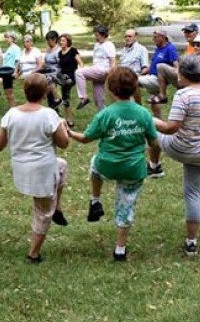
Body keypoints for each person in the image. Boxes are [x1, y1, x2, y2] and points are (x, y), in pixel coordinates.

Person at [68, 67, 158, 262]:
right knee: (127, 204)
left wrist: (68, 132)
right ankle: (120, 249)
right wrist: (154, 163)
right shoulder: (143, 114)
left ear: (110, 89)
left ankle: (95, 199)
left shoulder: (105, 114)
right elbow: (154, 143)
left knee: (94, 163)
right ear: (135, 87)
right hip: (133, 169)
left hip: (107, 166)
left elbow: (85, 139)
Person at [0, 73, 70, 263]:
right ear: (45, 93)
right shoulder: (49, 115)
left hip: (21, 170)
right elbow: (64, 143)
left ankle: (58, 208)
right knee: (43, 212)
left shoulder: (11, 114)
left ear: (25, 91)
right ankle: (33, 254)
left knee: (62, 166)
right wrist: (62, 127)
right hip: (41, 172)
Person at [147, 56, 200, 256]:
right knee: (193, 194)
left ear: (183, 74)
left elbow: (171, 127)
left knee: (150, 132)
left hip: (179, 147)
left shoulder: (183, 95)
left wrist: (148, 118)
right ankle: (191, 242)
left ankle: (154, 165)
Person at [75, 25, 116, 111]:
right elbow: (96, 60)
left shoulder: (109, 45)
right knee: (98, 100)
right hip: (96, 70)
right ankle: (104, 119)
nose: (96, 37)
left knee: (79, 72)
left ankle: (84, 97)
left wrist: (109, 72)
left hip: (103, 71)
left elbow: (113, 62)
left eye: (97, 35)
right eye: (95, 35)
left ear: (103, 35)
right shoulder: (97, 45)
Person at [140, 29, 179, 111]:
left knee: (132, 81)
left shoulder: (170, 48)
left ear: (162, 37)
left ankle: (136, 109)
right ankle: (159, 121)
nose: (153, 39)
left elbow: (176, 66)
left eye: (155, 37)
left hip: (157, 80)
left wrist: (177, 80)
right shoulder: (158, 49)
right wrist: (139, 72)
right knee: (155, 107)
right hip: (151, 77)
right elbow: (151, 66)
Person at [58, 33, 83, 128]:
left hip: (72, 76)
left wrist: (81, 74)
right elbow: (60, 68)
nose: (61, 42)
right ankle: (68, 119)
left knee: (66, 94)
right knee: (65, 98)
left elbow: (80, 63)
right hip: (63, 77)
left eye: (63, 40)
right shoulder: (60, 53)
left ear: (68, 42)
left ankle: (69, 119)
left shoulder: (73, 50)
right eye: (60, 40)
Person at [118, 29, 149, 104]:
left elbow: (145, 67)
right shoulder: (123, 50)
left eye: (130, 36)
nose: (127, 38)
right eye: (126, 36)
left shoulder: (141, 49)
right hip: (122, 76)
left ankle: (137, 107)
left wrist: (138, 76)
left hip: (134, 76)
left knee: (131, 83)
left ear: (135, 37)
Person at [0, 31, 21, 107]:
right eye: (6, 37)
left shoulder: (16, 48)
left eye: (8, 37)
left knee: (9, 90)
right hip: (4, 70)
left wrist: (15, 71)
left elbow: (17, 60)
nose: (6, 39)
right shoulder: (9, 48)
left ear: (13, 38)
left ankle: (13, 107)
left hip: (9, 70)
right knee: (7, 90)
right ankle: (12, 106)